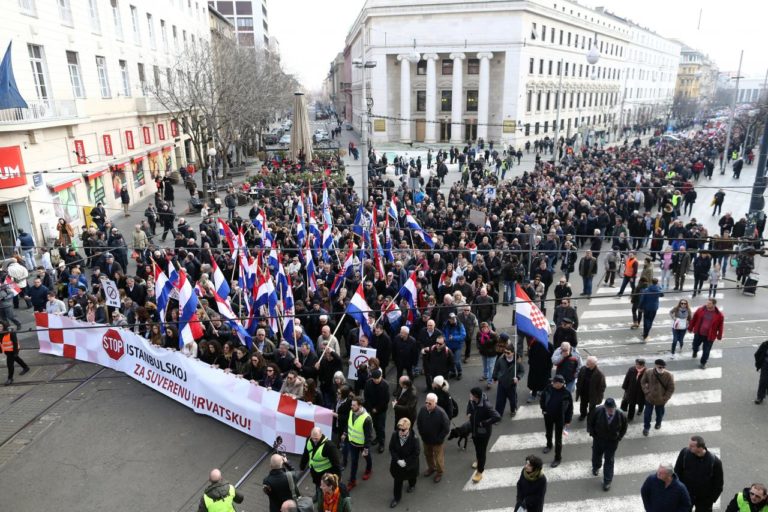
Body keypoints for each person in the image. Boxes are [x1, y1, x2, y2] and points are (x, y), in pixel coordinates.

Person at [674, 435, 724, 512]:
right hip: (686, 495)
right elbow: (677, 472)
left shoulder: (714, 462)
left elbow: (718, 484)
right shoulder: (685, 453)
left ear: (700, 448)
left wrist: (711, 500)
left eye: (692, 446)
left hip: (704, 500)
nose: (689, 447)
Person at [587, 398, 628, 491]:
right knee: (596, 455)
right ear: (605, 408)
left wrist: (619, 437)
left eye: (612, 408)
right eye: (609, 409)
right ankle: (596, 467)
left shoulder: (621, 415)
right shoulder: (598, 411)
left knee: (609, 460)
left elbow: (624, 428)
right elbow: (590, 422)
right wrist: (593, 434)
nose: (611, 410)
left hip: (612, 442)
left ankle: (607, 481)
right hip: (599, 439)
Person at [467, 386, 501, 482]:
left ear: (476, 396)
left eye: (471, 394)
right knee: (477, 448)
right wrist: (468, 412)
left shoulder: (486, 405)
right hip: (474, 430)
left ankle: (479, 472)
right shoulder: (472, 401)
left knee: (481, 452)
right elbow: (469, 406)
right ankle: (478, 461)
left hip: (483, 433)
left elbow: (497, 417)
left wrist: (484, 423)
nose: (470, 396)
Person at [300, 427, 342, 502]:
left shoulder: (329, 446)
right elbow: (306, 453)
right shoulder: (309, 440)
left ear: (321, 435)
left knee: (326, 488)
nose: (314, 440)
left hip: (326, 474)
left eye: (316, 438)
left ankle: (327, 500)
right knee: (318, 485)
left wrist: (337, 480)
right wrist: (302, 466)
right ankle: (319, 495)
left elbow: (336, 465)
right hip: (315, 472)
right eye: (313, 438)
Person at [539, 374, 573, 467]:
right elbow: (542, 398)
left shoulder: (566, 393)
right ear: (553, 383)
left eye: (560, 383)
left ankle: (558, 458)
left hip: (560, 418)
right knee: (548, 432)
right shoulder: (548, 388)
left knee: (558, 439)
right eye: (556, 383)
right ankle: (549, 445)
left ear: (563, 384)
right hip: (548, 416)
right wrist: (543, 409)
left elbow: (570, 408)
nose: (557, 385)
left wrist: (568, 420)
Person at [416, 392, 450, 483]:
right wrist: (421, 433)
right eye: (426, 402)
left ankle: (439, 472)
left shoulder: (441, 413)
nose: (427, 405)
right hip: (426, 439)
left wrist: (439, 439)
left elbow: (446, 428)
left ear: (435, 403)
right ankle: (431, 468)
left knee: (438, 458)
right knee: (428, 455)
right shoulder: (423, 410)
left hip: (437, 441)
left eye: (429, 403)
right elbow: (419, 422)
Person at [388, 417, 420, 508]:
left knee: (412, 476)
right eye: (399, 429)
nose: (400, 432)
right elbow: (391, 449)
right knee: (397, 481)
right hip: (398, 464)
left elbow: (416, 453)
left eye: (403, 430)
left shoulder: (414, 439)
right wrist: (398, 460)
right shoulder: (395, 435)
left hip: (410, 464)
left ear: (408, 428)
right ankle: (397, 498)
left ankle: (412, 485)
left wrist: (405, 461)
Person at [344, 395, 374, 491]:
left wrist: (366, 448)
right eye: (351, 405)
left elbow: (368, 436)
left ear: (360, 406)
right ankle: (352, 481)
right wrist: (345, 433)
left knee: (367, 457)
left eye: (354, 405)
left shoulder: (367, 419)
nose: (351, 406)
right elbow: (348, 423)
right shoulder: (351, 412)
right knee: (354, 462)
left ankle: (369, 470)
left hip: (362, 445)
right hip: (352, 442)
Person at [640, 359, 675, 436]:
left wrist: (665, 398)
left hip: (660, 400)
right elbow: (643, 382)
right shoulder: (648, 372)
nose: (662, 369)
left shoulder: (669, 375)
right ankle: (646, 428)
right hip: (649, 398)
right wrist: (647, 392)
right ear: (655, 366)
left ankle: (658, 423)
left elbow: (671, 388)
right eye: (660, 367)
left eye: (663, 367)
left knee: (659, 414)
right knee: (647, 414)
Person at [688, 298, 725, 369]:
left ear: (714, 304)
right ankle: (695, 351)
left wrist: (719, 336)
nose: (707, 304)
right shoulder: (700, 310)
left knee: (706, 351)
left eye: (709, 303)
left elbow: (721, 326)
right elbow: (694, 319)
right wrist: (690, 328)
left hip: (710, 336)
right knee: (695, 345)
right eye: (707, 303)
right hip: (699, 333)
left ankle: (703, 363)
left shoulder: (719, 315)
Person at [492, 342, 525, 417]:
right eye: (505, 352)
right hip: (502, 384)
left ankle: (513, 409)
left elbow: (522, 371)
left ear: (513, 353)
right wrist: (495, 377)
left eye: (508, 352)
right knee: (500, 401)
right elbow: (496, 369)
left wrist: (518, 377)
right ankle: (498, 415)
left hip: (512, 384)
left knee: (513, 400)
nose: (506, 354)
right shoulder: (500, 360)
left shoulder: (517, 362)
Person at [363, 368, 390, 453]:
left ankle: (382, 444)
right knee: (374, 425)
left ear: (381, 377)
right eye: (374, 379)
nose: (376, 380)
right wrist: (370, 408)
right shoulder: (368, 383)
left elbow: (386, 400)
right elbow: (366, 396)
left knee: (381, 427)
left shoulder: (385, 385)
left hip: (381, 410)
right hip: (371, 409)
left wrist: (377, 409)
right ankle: (377, 438)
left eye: (377, 378)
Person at [575, 355, 606, 421]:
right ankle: (583, 415)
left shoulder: (599, 374)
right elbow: (579, 379)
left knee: (592, 407)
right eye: (587, 362)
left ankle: (591, 417)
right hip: (583, 393)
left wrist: (597, 394)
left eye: (589, 363)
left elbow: (602, 386)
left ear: (594, 364)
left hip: (593, 395)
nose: (587, 363)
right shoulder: (583, 369)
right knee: (583, 405)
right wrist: (578, 386)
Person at [755, 340, 768, 404]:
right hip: (766, 364)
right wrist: (759, 364)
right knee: (763, 380)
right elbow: (757, 354)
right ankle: (760, 396)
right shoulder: (765, 344)